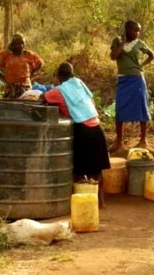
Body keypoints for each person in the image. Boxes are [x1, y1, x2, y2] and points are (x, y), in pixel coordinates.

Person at [42, 62, 110, 207]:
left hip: (82, 129)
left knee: (78, 168)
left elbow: (43, 98)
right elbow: (89, 99)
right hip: (97, 126)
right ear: (72, 74)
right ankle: (101, 201)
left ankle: (78, 200)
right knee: (97, 168)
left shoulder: (58, 90)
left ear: (59, 77)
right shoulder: (79, 82)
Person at [109, 20, 154, 152]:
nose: (137, 33)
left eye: (138, 31)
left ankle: (143, 141)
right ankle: (119, 142)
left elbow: (152, 55)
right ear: (127, 30)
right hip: (123, 79)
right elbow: (114, 56)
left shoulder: (139, 43)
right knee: (120, 108)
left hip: (137, 79)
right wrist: (123, 42)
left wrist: (141, 65)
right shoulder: (117, 41)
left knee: (141, 107)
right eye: (135, 30)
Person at [0, 33, 43, 98]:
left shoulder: (28, 54)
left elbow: (40, 63)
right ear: (13, 44)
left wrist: (32, 73)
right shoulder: (5, 54)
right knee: (9, 106)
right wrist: (4, 77)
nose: (21, 45)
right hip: (11, 88)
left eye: (23, 43)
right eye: (18, 43)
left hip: (25, 87)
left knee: (25, 105)